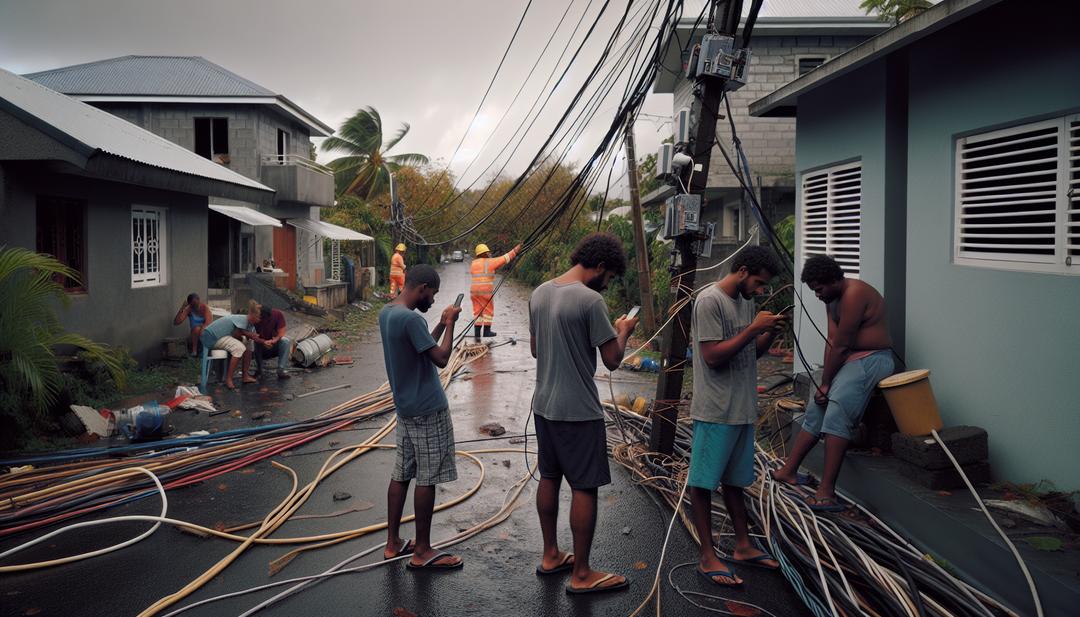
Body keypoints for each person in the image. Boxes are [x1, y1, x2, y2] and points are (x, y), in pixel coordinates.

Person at [529, 232, 637, 595]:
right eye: (609, 278)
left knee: (549, 476)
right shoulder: (590, 301)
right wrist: (624, 331)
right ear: (600, 266)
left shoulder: (539, 293)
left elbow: (535, 350)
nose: (607, 285)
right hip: (578, 410)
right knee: (584, 487)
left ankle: (550, 555)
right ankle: (582, 573)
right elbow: (612, 359)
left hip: (543, 405)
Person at [688, 246, 786, 587]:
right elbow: (712, 356)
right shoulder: (709, 301)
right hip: (715, 409)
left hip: (742, 408)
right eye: (759, 283)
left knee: (734, 481)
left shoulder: (746, 301)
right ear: (742, 271)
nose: (760, 290)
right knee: (703, 482)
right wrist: (752, 329)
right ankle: (707, 556)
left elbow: (749, 352)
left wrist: (769, 332)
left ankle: (743, 546)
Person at [771, 255, 895, 512]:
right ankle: (789, 470)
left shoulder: (854, 293)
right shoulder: (832, 299)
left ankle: (826, 492)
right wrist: (822, 385)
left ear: (834, 280)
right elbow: (832, 341)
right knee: (816, 408)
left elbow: (843, 344)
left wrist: (827, 384)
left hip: (873, 359)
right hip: (848, 359)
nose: (817, 295)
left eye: (819, 289)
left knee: (836, 412)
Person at [378, 264, 464, 571]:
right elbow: (441, 358)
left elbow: (421, 346)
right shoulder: (412, 318)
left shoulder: (388, 312)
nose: (433, 300)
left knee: (401, 473)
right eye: (433, 294)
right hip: (428, 409)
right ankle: (423, 551)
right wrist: (451, 324)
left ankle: (392, 544)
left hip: (406, 409)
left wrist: (439, 324)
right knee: (427, 477)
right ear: (423, 288)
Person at [199, 300, 264, 390]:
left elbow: (244, 336)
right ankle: (228, 379)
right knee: (239, 348)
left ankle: (245, 375)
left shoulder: (250, 325)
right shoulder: (243, 319)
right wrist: (249, 335)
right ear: (252, 314)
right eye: (258, 317)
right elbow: (236, 333)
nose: (259, 320)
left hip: (221, 337)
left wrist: (258, 339)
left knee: (249, 344)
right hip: (211, 337)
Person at [469, 242, 522, 339]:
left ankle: (477, 334)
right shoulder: (489, 262)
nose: (489, 254)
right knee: (488, 310)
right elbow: (505, 258)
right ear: (484, 253)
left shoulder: (473, 263)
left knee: (477, 311)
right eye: (487, 252)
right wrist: (516, 250)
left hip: (474, 293)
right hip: (485, 292)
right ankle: (487, 331)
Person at [253, 305, 292, 380]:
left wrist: (275, 340)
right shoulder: (255, 317)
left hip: (273, 344)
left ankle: (281, 370)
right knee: (254, 343)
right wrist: (263, 342)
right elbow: (252, 336)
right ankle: (259, 369)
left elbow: (282, 331)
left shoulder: (277, 314)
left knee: (285, 342)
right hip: (260, 347)